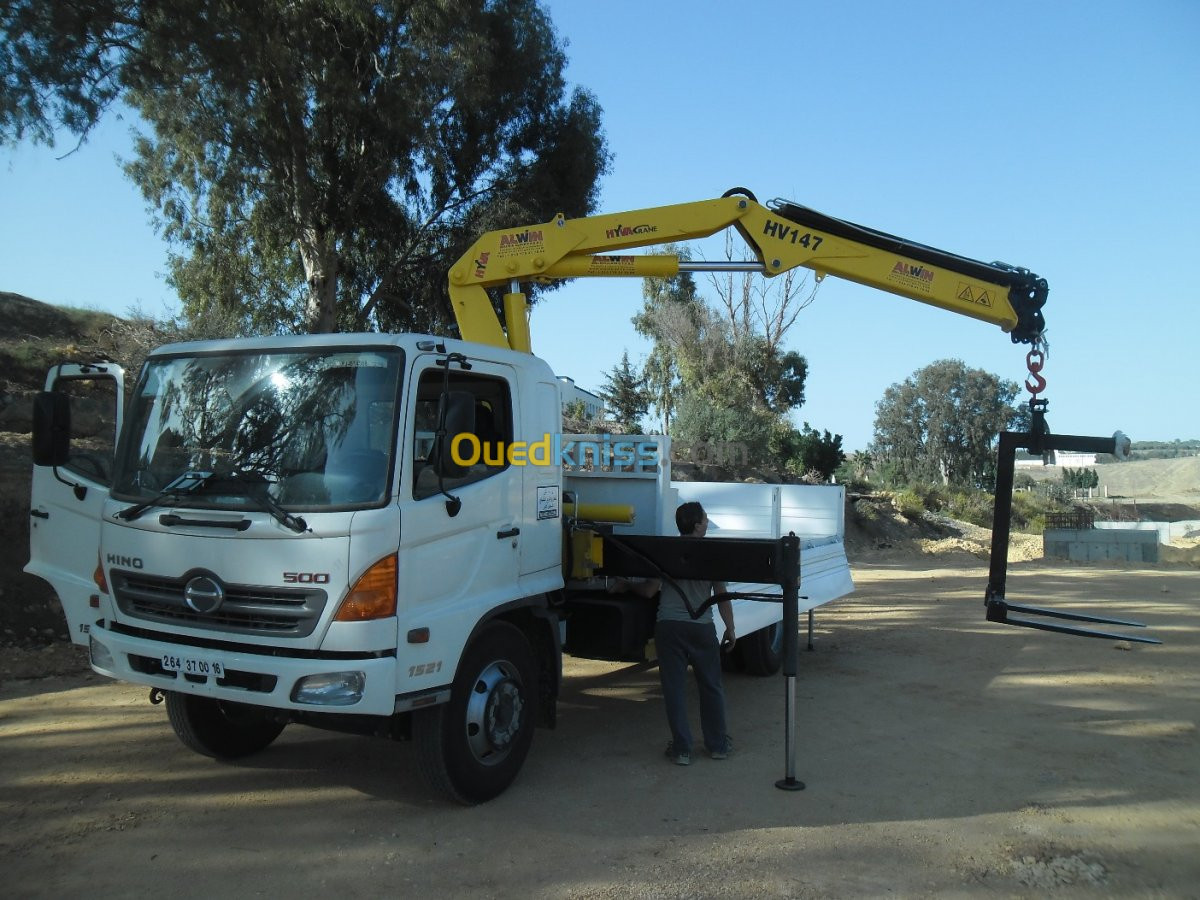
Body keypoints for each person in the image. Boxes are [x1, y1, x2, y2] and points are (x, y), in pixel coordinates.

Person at [609, 501, 736, 766]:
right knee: (711, 686)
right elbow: (722, 595)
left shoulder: (667, 552)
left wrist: (625, 586)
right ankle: (717, 745)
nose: (708, 523)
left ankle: (682, 749)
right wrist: (731, 628)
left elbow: (648, 591)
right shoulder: (711, 554)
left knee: (674, 689)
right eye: (705, 519)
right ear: (697, 525)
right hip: (701, 627)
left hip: (669, 628)